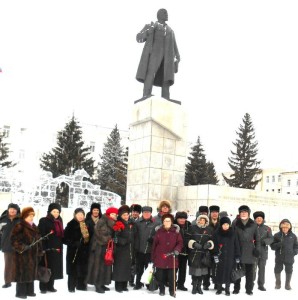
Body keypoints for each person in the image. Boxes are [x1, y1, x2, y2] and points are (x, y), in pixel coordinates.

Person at [135, 8, 180, 103]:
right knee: (150, 73)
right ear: (159, 15)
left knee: (166, 77)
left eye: (167, 13)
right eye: (164, 13)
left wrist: (177, 57)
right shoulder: (151, 26)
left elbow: (174, 46)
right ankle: (146, 94)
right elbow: (139, 38)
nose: (167, 14)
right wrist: (148, 31)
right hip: (154, 55)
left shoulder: (170, 31)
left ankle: (166, 98)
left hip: (167, 57)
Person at [11, 207, 43, 299]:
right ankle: (20, 293)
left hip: (33, 255)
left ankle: (30, 291)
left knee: (31, 272)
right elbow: (14, 240)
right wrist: (22, 247)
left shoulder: (34, 226)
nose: (31, 217)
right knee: (22, 273)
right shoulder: (19, 226)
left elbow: (39, 239)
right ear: (24, 216)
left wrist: (39, 250)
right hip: (22, 255)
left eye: (32, 215)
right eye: (29, 215)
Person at [85, 206, 118, 293]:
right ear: (108, 214)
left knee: (106, 265)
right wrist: (108, 238)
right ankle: (97, 284)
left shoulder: (112, 222)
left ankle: (102, 282)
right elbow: (97, 231)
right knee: (98, 266)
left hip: (106, 247)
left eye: (115, 214)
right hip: (99, 246)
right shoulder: (103, 220)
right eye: (112, 214)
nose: (114, 216)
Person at [151, 213, 183, 297]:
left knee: (172, 276)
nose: (167, 222)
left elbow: (180, 243)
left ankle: (172, 291)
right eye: (165, 221)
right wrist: (153, 257)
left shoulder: (176, 232)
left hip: (172, 256)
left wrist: (177, 250)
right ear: (163, 222)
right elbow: (154, 245)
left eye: (169, 221)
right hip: (160, 256)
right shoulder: (159, 231)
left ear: (171, 222)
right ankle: (161, 290)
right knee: (160, 275)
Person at [232, 205, 261, 295]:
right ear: (239, 213)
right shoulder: (235, 223)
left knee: (249, 272)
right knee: (237, 269)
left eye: (245, 212)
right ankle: (236, 288)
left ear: (248, 214)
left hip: (250, 250)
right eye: (242, 212)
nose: (243, 213)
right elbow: (232, 237)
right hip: (238, 249)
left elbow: (258, 239)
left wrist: (257, 249)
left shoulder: (253, 224)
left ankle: (249, 289)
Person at [38, 203, 64, 293]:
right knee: (45, 267)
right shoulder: (44, 220)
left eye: (58, 211)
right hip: (47, 248)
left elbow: (61, 235)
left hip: (57, 248)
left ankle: (50, 286)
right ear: (49, 211)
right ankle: (43, 287)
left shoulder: (59, 221)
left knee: (53, 268)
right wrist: (43, 248)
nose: (56, 213)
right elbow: (40, 235)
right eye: (54, 211)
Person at [212, 216, 241, 296]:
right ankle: (219, 288)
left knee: (228, 273)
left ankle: (227, 289)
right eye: (224, 224)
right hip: (220, 256)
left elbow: (237, 245)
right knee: (219, 272)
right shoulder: (216, 233)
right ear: (221, 225)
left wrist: (237, 256)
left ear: (229, 225)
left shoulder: (233, 233)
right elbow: (214, 245)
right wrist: (215, 255)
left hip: (230, 257)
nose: (226, 226)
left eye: (227, 224)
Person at [63, 208, 90, 293]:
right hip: (73, 252)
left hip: (84, 251)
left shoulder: (86, 224)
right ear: (75, 215)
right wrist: (74, 243)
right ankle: (71, 287)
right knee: (72, 270)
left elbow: (89, 237)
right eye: (78, 215)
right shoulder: (70, 224)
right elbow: (64, 239)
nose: (80, 216)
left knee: (82, 269)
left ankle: (81, 286)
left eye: (82, 215)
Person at [187, 214, 214, 295]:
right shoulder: (192, 228)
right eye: (200, 220)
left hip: (204, 253)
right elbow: (186, 238)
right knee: (195, 271)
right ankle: (194, 287)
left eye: (203, 220)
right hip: (194, 253)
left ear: (206, 221)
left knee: (202, 272)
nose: (202, 221)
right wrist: (193, 243)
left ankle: (199, 287)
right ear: (197, 220)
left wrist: (209, 244)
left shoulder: (210, 229)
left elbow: (212, 240)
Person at [112, 205, 135, 293]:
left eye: (127, 214)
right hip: (120, 249)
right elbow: (115, 237)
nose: (126, 216)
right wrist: (124, 241)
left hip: (129, 249)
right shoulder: (118, 223)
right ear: (120, 216)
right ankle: (118, 286)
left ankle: (124, 285)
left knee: (127, 267)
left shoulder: (130, 223)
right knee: (119, 268)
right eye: (124, 215)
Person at [270, 219, 298, 290]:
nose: (285, 229)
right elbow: (272, 246)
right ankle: (278, 283)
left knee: (289, 270)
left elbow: (296, 246)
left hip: (289, 257)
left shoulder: (293, 236)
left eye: (286, 227)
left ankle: (287, 284)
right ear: (281, 227)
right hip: (279, 257)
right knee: (277, 270)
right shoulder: (276, 235)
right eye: (283, 227)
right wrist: (278, 244)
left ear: (289, 228)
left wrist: (294, 252)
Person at [134, 206, 156, 290]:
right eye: (145, 212)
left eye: (148, 212)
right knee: (139, 268)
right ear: (142, 213)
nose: (146, 214)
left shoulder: (155, 223)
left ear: (151, 213)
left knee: (149, 268)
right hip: (139, 249)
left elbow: (158, 235)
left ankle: (148, 284)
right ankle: (138, 283)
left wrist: (153, 238)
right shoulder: (137, 222)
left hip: (149, 250)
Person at [0, 203, 20, 289]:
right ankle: (8, 282)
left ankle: (18, 279)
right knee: (8, 265)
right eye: (11, 209)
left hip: (18, 246)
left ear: (17, 211)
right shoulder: (3, 219)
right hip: (7, 245)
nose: (12, 210)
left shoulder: (20, 220)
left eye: (14, 209)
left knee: (19, 263)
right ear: (8, 209)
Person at [252, 211, 273, 291]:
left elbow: (271, 238)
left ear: (263, 219)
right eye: (257, 218)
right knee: (253, 269)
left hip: (263, 252)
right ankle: (251, 283)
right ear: (255, 219)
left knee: (262, 270)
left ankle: (261, 285)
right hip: (253, 252)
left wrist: (265, 241)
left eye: (260, 218)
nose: (259, 219)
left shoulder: (267, 228)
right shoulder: (251, 227)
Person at [204, 205, 220, 290]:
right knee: (207, 266)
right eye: (213, 212)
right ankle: (206, 283)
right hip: (208, 249)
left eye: (216, 212)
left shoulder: (221, 224)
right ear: (210, 214)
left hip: (218, 249)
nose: (214, 214)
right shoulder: (207, 224)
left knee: (217, 267)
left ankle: (217, 283)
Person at [174, 211, 191, 291]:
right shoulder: (173, 225)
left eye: (183, 218)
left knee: (183, 269)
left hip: (185, 251)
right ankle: (173, 283)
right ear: (177, 219)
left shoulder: (189, 225)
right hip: (175, 251)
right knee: (174, 268)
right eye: (180, 218)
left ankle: (181, 284)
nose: (182, 220)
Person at [129, 203, 142, 286]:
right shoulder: (128, 219)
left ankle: (131, 280)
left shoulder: (140, 221)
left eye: (137, 212)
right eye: (133, 211)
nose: (135, 213)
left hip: (137, 245)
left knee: (134, 264)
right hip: (128, 245)